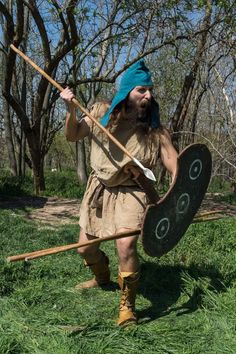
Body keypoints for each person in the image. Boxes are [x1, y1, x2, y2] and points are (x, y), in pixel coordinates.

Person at [60, 60, 178, 326]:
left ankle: (127, 306)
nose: (147, 95)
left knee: (125, 245)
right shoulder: (100, 112)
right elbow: (73, 134)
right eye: (141, 90)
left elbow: (171, 158)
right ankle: (101, 277)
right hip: (100, 189)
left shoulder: (154, 129)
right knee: (85, 249)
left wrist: (178, 187)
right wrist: (70, 108)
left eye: (149, 90)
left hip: (133, 191)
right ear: (126, 92)